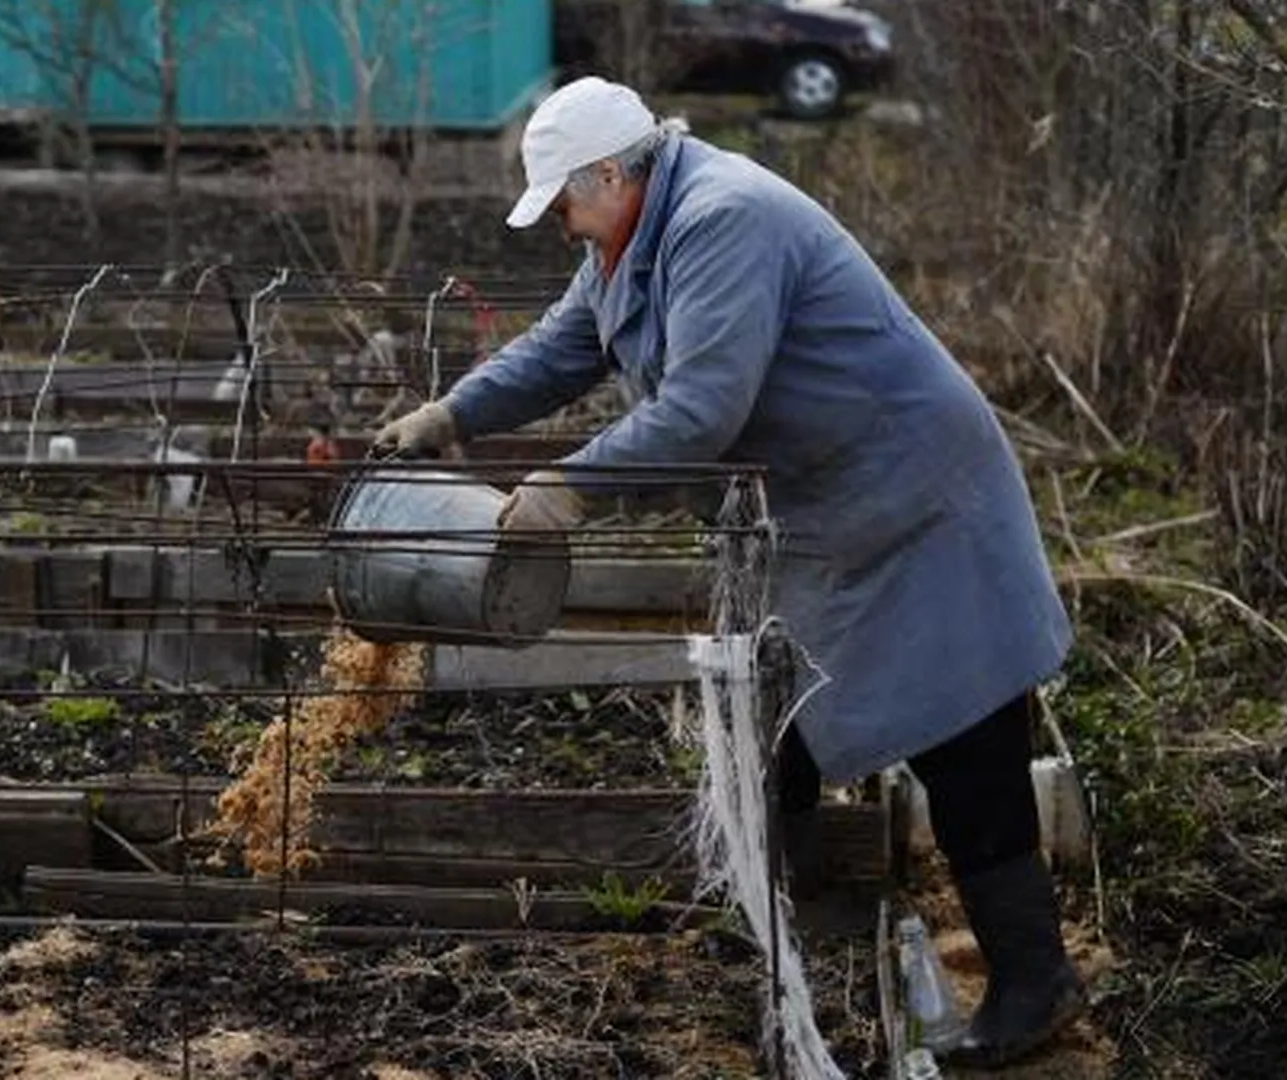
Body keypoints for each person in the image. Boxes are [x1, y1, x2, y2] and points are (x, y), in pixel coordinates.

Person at [374, 76, 1085, 1069]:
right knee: (780, 725)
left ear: (612, 174)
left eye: (566, 205)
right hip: (836, 511)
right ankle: (769, 936)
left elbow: (703, 407)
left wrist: (568, 487)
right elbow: (559, 349)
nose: (563, 229)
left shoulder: (723, 218)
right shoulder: (633, 237)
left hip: (915, 496)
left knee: (962, 736)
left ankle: (1033, 980)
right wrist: (453, 414)